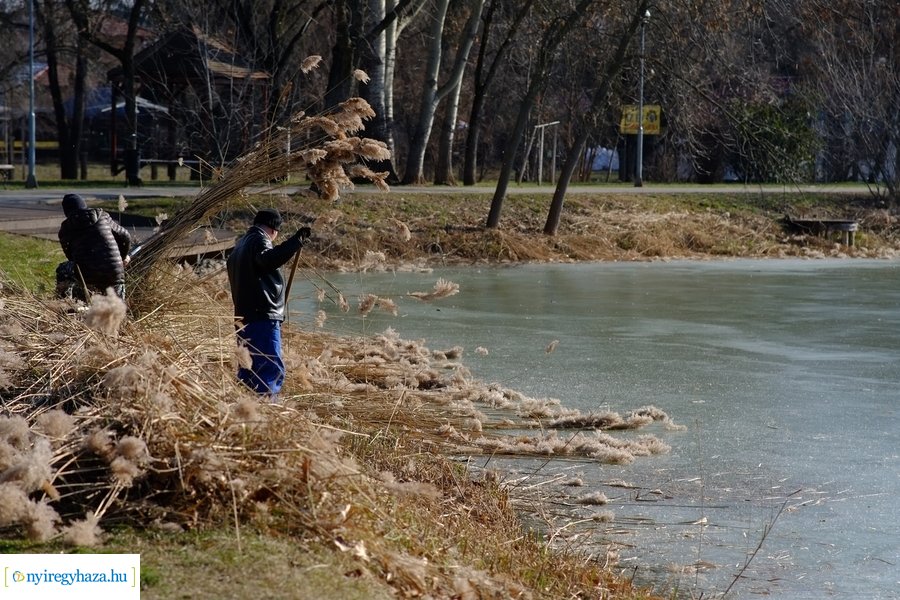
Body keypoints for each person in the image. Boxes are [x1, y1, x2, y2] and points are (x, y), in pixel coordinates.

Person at [226, 208, 311, 398]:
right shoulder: (260, 240)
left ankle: (246, 407)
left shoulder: (240, 245)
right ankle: (266, 412)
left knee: (248, 367)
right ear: (274, 230)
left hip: (243, 317)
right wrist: (295, 242)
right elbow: (266, 260)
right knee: (269, 366)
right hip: (262, 315)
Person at [57, 193, 133, 301]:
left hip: (86, 275)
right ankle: (121, 312)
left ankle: (66, 301)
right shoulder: (103, 216)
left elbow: (69, 255)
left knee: (63, 269)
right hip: (114, 272)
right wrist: (122, 257)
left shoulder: (66, 227)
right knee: (118, 309)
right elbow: (125, 236)